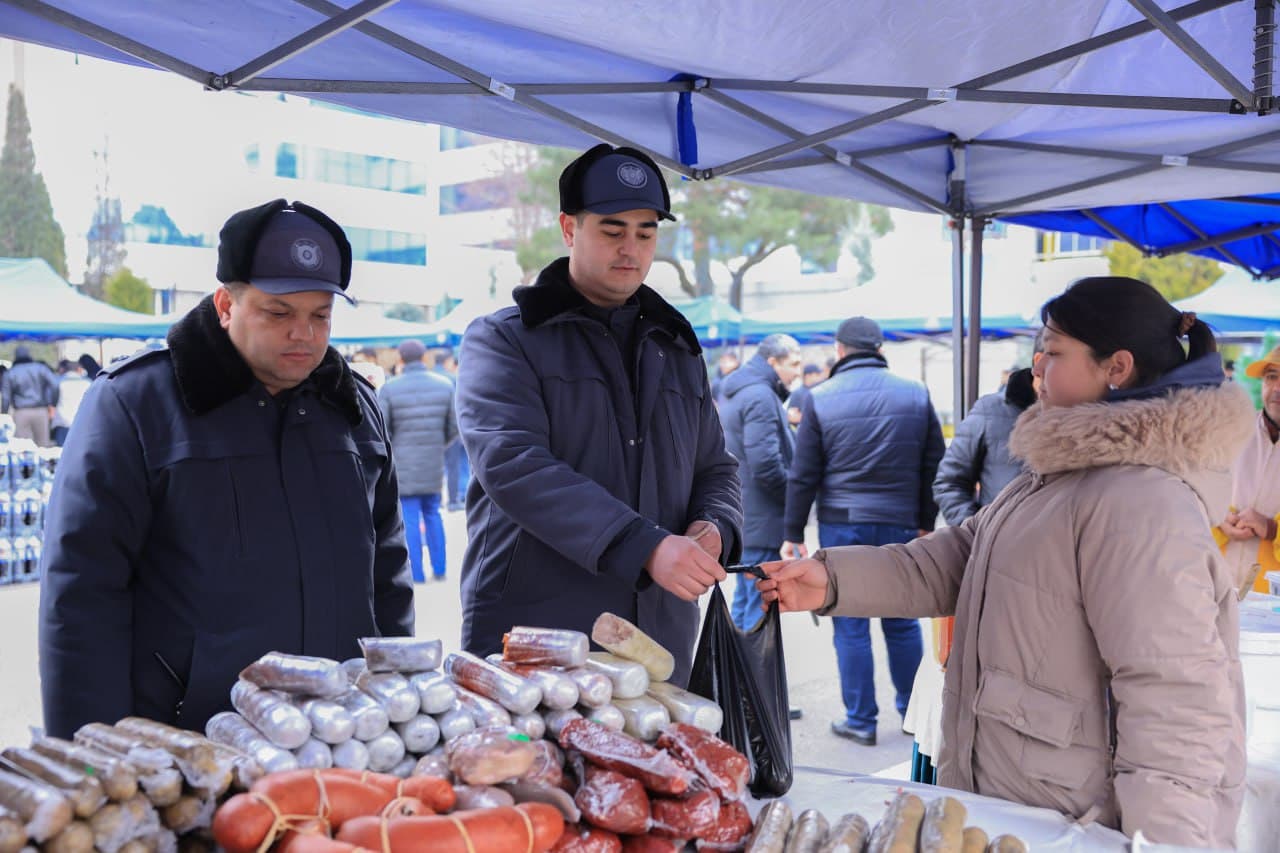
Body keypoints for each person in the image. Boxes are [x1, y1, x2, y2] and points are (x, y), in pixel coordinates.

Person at [758, 278, 1251, 847]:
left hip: (1075, 822)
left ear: (1116, 366)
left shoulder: (1141, 500)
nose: (1036, 367)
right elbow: (963, 558)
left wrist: (1164, 843)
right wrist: (832, 579)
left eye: (1054, 351)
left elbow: (1174, 698)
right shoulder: (1067, 472)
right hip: (1020, 799)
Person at [38, 199, 414, 737]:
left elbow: (388, 574)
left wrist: (395, 708)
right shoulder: (136, 404)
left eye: (320, 315)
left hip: (340, 739)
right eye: (279, 313)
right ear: (224, 305)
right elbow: (82, 594)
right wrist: (94, 755)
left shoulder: (354, 408)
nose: (303, 334)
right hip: (190, 741)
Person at [456, 143, 743, 685]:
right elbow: (513, 463)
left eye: (646, 231)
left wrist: (715, 526)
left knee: (660, 769)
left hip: (658, 638)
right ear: (569, 229)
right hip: (540, 633)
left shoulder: (677, 347)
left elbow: (716, 466)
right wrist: (646, 545)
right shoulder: (505, 339)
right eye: (612, 231)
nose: (630, 248)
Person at [783, 316, 945, 746]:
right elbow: (935, 464)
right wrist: (926, 522)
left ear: (840, 351)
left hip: (842, 524)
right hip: (901, 522)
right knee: (903, 621)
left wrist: (793, 531)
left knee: (849, 623)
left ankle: (860, 720)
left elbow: (804, 474)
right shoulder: (915, 393)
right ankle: (914, 715)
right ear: (879, 348)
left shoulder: (820, 398)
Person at [719, 333, 802, 630]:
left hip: (748, 515)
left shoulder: (745, 390)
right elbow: (766, 464)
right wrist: (793, 504)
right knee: (757, 606)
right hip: (762, 518)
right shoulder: (759, 395)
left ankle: (738, 673)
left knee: (746, 600)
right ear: (772, 362)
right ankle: (751, 674)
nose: (798, 372)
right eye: (793, 363)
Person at [379, 339, 457, 583]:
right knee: (433, 512)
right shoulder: (445, 385)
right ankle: (440, 568)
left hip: (403, 464)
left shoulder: (390, 388)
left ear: (400, 360)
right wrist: (437, 445)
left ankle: (417, 574)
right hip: (433, 461)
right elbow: (454, 426)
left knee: (409, 517)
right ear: (425, 358)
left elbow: (382, 430)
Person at [932, 362, 1038, 526]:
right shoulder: (989, 410)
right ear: (1039, 360)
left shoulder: (1078, 413)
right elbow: (949, 482)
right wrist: (975, 532)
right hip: (1000, 542)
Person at [1215, 344, 1280, 592]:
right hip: (1217, 586)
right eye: (1271, 377)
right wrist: (1218, 518)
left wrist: (1272, 528)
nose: (1277, 388)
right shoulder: (1230, 432)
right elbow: (1192, 496)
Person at [433, 351, 470, 511]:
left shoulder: (430, 377)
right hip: (451, 431)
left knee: (436, 467)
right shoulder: (452, 379)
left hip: (432, 432)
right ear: (447, 361)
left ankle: (438, 499)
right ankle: (454, 500)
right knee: (455, 465)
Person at [1, 345, 59, 446]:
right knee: (43, 446)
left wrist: (4, 414)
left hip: (21, 413)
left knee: (23, 448)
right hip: (41, 411)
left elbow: (6, 397)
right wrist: (53, 403)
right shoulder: (40, 368)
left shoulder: (11, 373)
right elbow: (55, 385)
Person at [50, 359, 92, 447]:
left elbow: (52, 402)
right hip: (82, 422)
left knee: (62, 453)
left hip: (63, 422)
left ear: (65, 369)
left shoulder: (58, 382)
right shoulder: (87, 382)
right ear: (78, 369)